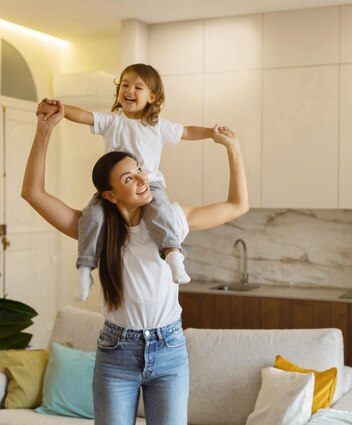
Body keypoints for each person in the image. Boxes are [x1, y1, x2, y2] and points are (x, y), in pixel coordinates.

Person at [22, 100, 248, 425]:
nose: (143, 180)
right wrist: (44, 131)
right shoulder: (96, 230)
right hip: (117, 353)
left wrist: (233, 148)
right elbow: (33, 193)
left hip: (169, 348)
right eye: (129, 179)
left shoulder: (172, 219)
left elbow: (237, 205)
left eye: (140, 170)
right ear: (110, 195)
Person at [37, 63, 224, 302]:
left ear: (152, 97)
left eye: (138, 87)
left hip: (150, 184)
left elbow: (187, 131)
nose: (129, 90)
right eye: (125, 85)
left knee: (161, 211)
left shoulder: (158, 126)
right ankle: (85, 269)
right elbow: (83, 115)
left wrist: (212, 132)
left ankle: (173, 255)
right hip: (114, 186)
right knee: (91, 217)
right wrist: (59, 108)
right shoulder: (111, 121)